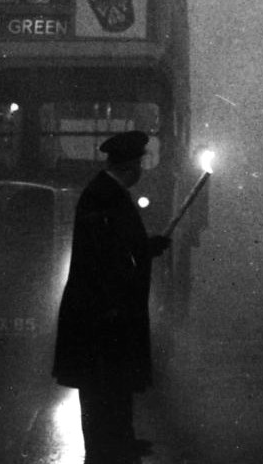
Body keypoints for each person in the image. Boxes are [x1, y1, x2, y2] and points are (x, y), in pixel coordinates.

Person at [52, 131, 171, 463]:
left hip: (103, 309)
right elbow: (104, 254)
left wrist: (146, 247)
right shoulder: (106, 196)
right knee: (102, 386)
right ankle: (108, 447)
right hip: (102, 311)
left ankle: (119, 440)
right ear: (131, 166)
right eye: (138, 164)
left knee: (110, 383)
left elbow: (114, 246)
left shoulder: (106, 193)